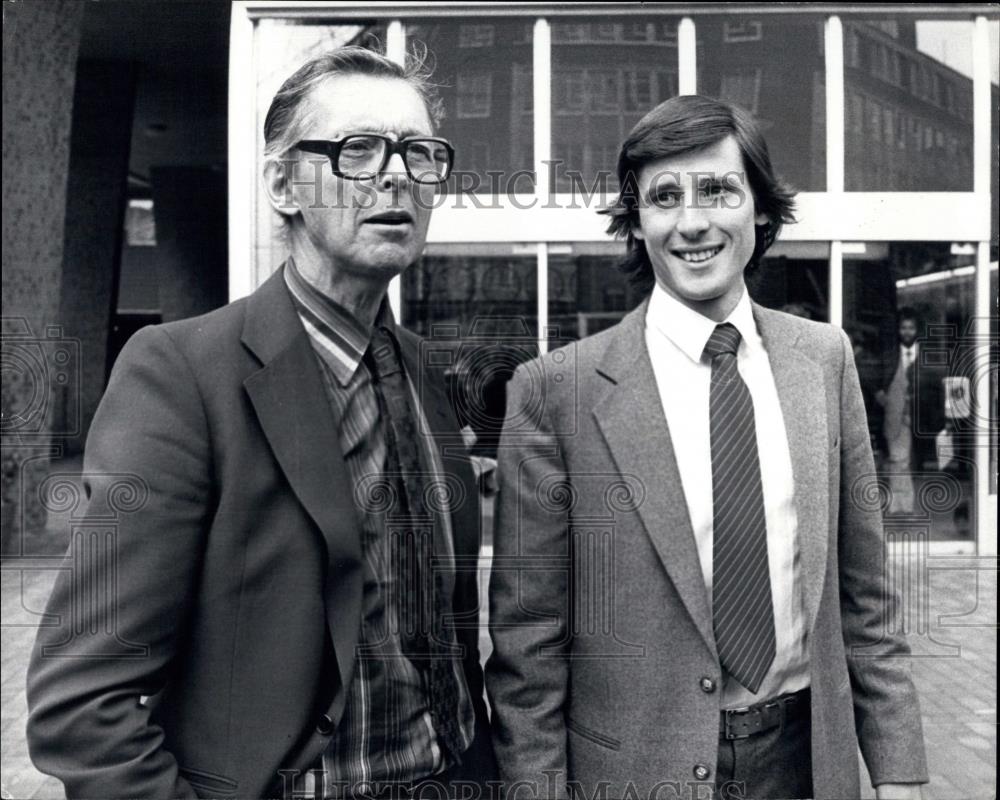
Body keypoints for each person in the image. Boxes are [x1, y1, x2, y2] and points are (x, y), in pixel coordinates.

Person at [26, 47, 495, 799]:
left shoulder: (429, 374)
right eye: (359, 150)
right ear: (282, 184)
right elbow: (83, 703)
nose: (397, 174)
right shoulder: (181, 373)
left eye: (419, 152)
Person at [486, 95, 927, 800]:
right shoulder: (555, 392)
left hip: (807, 761)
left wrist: (899, 771)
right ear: (637, 221)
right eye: (664, 197)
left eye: (718, 189)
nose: (692, 222)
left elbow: (866, 599)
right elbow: (528, 647)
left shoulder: (823, 360)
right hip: (633, 769)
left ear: (759, 208)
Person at [875, 307, 946, 514]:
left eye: (911, 328)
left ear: (917, 330)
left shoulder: (928, 354)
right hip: (896, 414)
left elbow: (936, 384)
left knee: (914, 462)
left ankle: (903, 505)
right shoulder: (889, 355)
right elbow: (875, 377)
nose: (907, 332)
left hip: (922, 417)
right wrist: (879, 393)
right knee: (899, 460)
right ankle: (901, 507)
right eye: (903, 328)